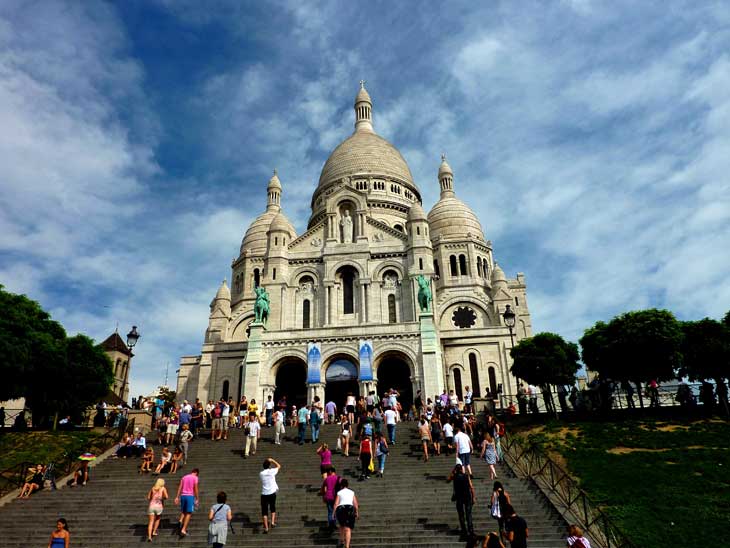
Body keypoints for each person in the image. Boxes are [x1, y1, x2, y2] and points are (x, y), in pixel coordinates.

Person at [447, 463, 475, 540]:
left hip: (459, 498)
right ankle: (471, 531)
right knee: (468, 515)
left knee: (461, 515)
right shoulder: (466, 476)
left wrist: (452, 472)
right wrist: (474, 497)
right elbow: (471, 487)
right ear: (461, 469)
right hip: (467, 497)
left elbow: (447, 480)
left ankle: (464, 530)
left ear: (456, 469)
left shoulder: (454, 476)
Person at [174, 468, 200, 537]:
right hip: (190, 496)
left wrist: (177, 497)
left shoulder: (184, 477)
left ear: (192, 471)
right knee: (189, 513)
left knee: (184, 510)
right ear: (196, 473)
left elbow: (180, 487)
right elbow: (196, 488)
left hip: (183, 496)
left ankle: (181, 520)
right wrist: (197, 498)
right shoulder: (195, 478)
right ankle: (183, 529)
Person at [334, 478, 359, 548]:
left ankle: (342, 541)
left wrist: (333, 513)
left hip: (341, 509)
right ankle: (347, 546)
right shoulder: (351, 492)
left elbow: (336, 503)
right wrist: (357, 512)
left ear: (341, 485)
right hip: (350, 509)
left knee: (342, 525)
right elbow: (355, 503)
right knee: (348, 528)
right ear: (347, 485)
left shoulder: (339, 492)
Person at [260, 458, 281, 533]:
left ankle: (266, 528)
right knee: (272, 507)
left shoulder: (261, 474)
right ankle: (272, 522)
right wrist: (272, 460)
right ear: (269, 466)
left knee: (264, 511)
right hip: (272, 492)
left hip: (264, 493)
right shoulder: (272, 471)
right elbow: (279, 466)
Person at [320, 466, 339, 530]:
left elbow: (322, 489)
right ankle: (334, 524)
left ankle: (331, 524)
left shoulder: (327, 479)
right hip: (336, 497)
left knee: (330, 511)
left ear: (330, 471)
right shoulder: (338, 478)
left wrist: (323, 496)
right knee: (335, 510)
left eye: (328, 472)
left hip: (328, 496)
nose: (327, 474)